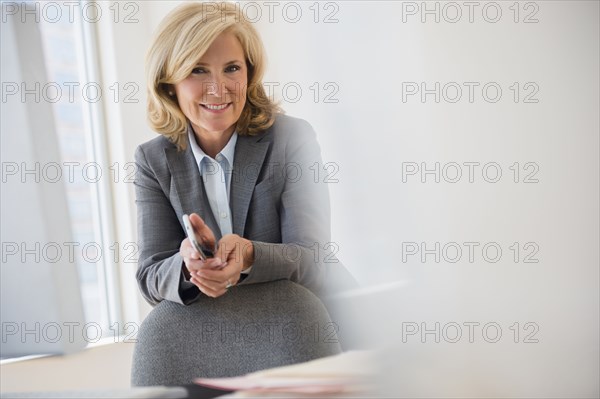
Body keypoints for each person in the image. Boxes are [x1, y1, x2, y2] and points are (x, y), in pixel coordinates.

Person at [134, 2, 351, 307]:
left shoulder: (291, 139)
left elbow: (313, 259)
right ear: (169, 83)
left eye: (232, 68)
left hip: (319, 324)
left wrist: (250, 255)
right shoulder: (152, 161)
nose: (218, 89)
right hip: (228, 337)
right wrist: (187, 264)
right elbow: (150, 277)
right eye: (198, 70)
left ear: (250, 73)